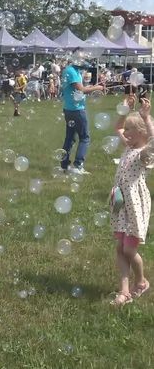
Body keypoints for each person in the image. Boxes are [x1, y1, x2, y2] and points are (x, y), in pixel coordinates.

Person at [110, 95, 153, 305]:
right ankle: (124, 290)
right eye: (126, 130)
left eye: (129, 130)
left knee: (129, 249)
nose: (124, 133)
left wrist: (146, 118)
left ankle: (142, 281)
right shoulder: (128, 146)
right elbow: (117, 126)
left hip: (135, 205)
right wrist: (125, 110)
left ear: (140, 134)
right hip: (120, 203)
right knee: (119, 247)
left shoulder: (144, 154)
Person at [59, 54, 104, 175]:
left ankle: (64, 165)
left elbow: (79, 88)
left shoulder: (73, 70)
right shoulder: (72, 71)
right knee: (84, 137)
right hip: (76, 109)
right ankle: (78, 166)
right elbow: (81, 90)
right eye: (83, 59)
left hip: (69, 108)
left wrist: (90, 87)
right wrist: (97, 87)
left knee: (70, 138)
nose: (85, 61)